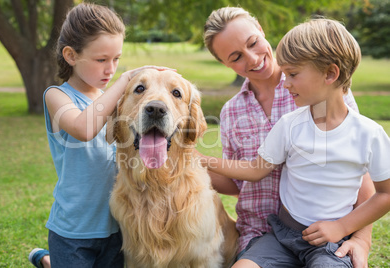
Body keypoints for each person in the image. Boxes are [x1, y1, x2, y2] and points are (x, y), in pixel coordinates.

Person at [200, 18, 390, 267]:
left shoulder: (353, 119)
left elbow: (367, 180)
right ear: (224, 64)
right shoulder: (239, 113)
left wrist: (358, 237)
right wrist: (193, 162)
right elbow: (248, 175)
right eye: (235, 57)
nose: (253, 59)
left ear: (260, 29)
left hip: (331, 239)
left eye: (253, 43)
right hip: (271, 234)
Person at [28, 3, 169, 268]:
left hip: (117, 227)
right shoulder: (58, 96)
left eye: (116, 59)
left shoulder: (110, 100)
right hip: (74, 231)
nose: (111, 69)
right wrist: (126, 80)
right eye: (101, 60)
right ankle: (49, 260)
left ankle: (48, 261)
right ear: (71, 55)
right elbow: (84, 129)